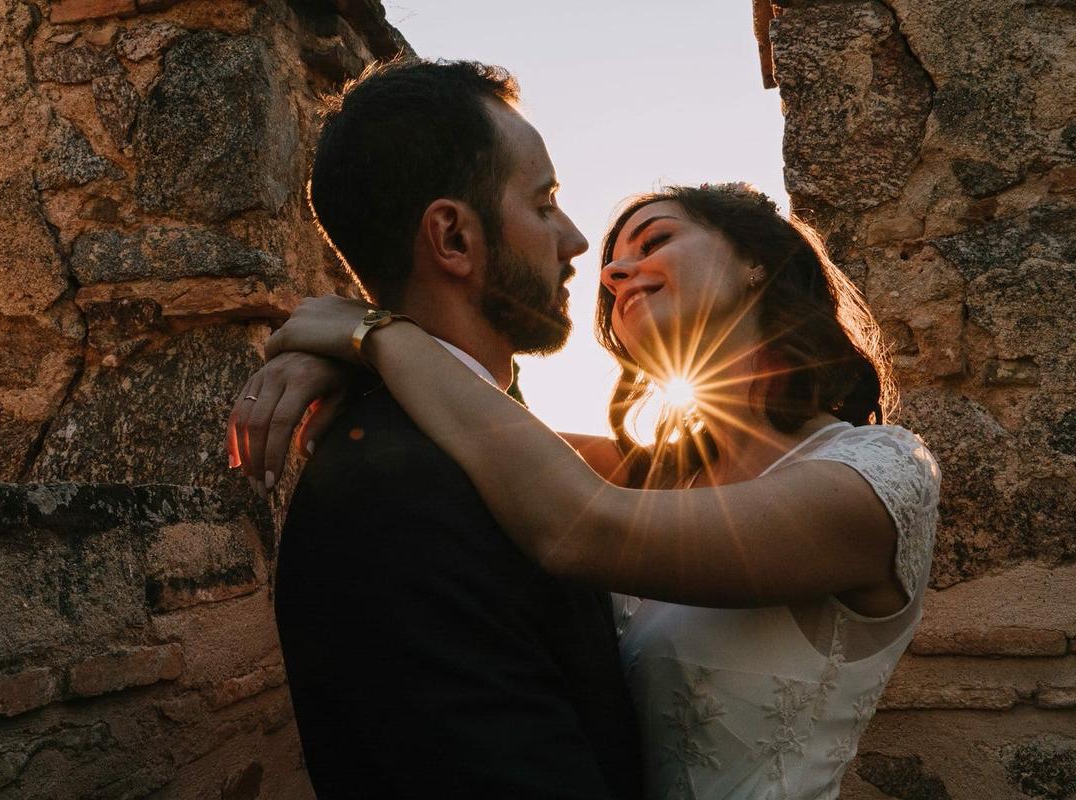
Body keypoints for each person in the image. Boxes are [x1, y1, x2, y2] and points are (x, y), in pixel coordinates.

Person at [233, 181, 942, 799]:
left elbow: (583, 528)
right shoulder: (646, 471)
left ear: (760, 261)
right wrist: (352, 369)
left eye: (653, 239)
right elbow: (476, 421)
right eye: (611, 265)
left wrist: (372, 334)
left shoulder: (880, 477)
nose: (616, 271)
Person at [227, 58, 643, 799]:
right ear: (452, 237)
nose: (578, 240)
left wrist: (368, 347)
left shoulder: (471, 438)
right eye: (544, 202)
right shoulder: (399, 497)